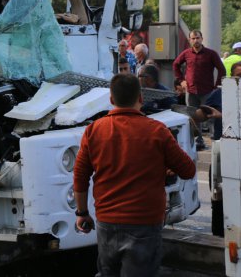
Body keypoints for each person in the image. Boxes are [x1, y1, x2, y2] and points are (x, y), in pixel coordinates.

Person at [73, 74, 196, 277]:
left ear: (111, 100)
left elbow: (80, 175)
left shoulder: (93, 130)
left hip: (107, 222)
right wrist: (164, 165)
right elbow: (188, 170)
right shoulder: (158, 131)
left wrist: (82, 213)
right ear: (141, 98)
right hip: (145, 224)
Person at [172, 30, 226, 109]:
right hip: (190, 91)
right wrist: (181, 81)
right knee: (192, 117)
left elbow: (222, 70)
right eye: (193, 38)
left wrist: (217, 86)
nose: (196, 40)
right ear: (189, 40)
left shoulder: (211, 54)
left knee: (207, 117)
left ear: (202, 39)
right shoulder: (186, 53)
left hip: (207, 91)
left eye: (198, 38)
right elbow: (175, 65)